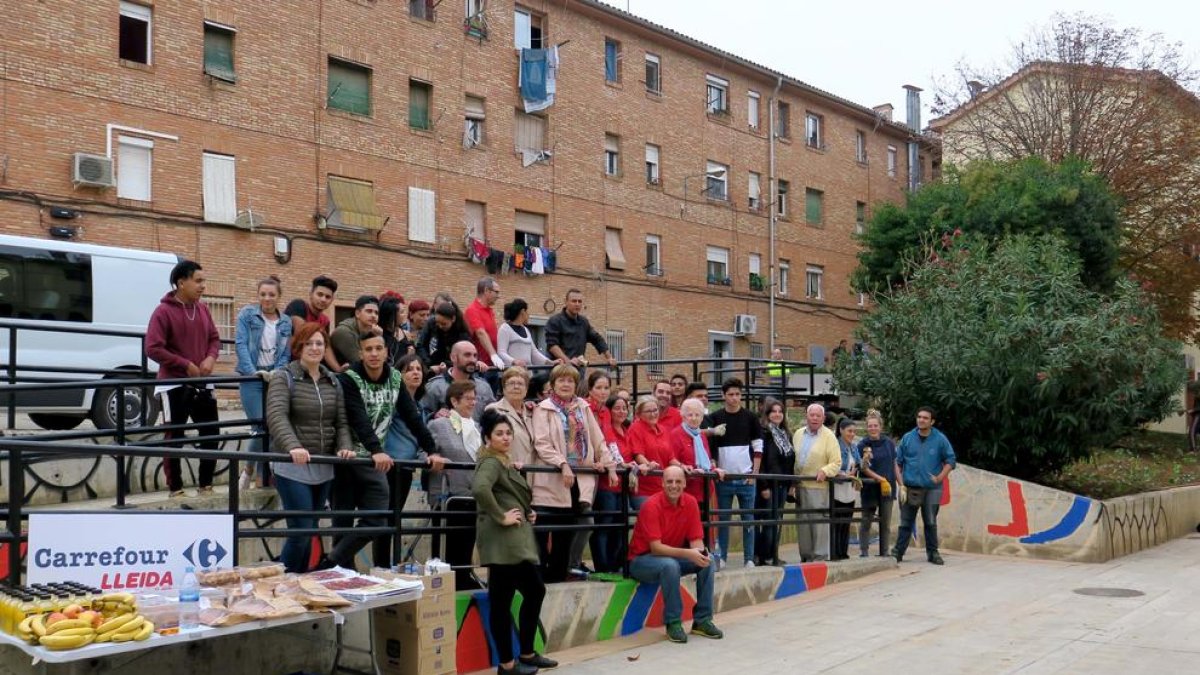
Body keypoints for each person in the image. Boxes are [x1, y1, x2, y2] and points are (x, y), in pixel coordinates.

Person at [322, 332, 444, 570]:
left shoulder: (395, 378)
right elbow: (358, 418)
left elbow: (412, 417)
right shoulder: (350, 378)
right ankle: (344, 572)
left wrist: (432, 450)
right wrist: (376, 449)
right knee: (343, 520)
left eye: (379, 348)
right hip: (348, 458)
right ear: (360, 353)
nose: (374, 354)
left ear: (387, 352)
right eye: (369, 349)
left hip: (374, 462)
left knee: (378, 518)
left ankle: (331, 562)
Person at [472, 409, 556, 675]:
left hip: (511, 542)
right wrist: (501, 516)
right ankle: (510, 663)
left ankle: (524, 655)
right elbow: (480, 489)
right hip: (503, 543)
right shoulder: (491, 463)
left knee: (521, 594)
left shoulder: (502, 461)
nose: (506, 438)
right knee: (520, 595)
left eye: (508, 433)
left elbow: (505, 492)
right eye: (499, 434)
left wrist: (524, 509)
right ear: (487, 438)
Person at [265, 322, 352, 572]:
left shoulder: (332, 381)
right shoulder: (284, 377)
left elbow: (341, 421)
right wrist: (293, 446)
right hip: (292, 465)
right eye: (309, 343)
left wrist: (344, 446)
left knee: (310, 530)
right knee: (301, 530)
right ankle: (286, 582)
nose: (315, 348)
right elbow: (277, 416)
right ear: (298, 347)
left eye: (320, 343)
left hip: (323, 465)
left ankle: (299, 580)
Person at [530, 364, 617, 582]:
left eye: (570, 380)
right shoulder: (544, 408)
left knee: (570, 532)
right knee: (545, 531)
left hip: (580, 477)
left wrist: (610, 464)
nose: (566, 384)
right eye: (561, 380)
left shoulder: (583, 407)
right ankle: (542, 579)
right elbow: (541, 443)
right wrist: (562, 464)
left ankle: (562, 573)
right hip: (553, 479)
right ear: (553, 384)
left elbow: (597, 439)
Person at [145, 259, 222, 498]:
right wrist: (184, 364)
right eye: (198, 281)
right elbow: (153, 348)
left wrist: (210, 358)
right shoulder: (163, 311)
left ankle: (206, 485)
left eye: (204, 281)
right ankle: (175, 489)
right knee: (174, 437)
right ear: (181, 283)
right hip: (173, 384)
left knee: (211, 434)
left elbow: (214, 338)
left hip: (201, 383)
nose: (203, 286)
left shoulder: (203, 309)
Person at [628, 466, 723, 644]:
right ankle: (673, 622)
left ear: (685, 483)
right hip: (641, 561)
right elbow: (656, 548)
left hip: (670, 557)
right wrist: (688, 553)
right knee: (670, 566)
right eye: (669, 481)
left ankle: (702, 620)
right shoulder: (651, 505)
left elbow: (696, 541)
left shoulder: (691, 503)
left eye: (678, 481)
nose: (674, 485)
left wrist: (701, 554)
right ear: (662, 483)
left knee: (707, 563)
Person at [377, 353, 438, 566]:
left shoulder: (420, 406)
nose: (415, 373)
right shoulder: (392, 401)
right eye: (409, 369)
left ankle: (386, 565)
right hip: (390, 465)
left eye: (419, 369)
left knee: (393, 520)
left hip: (406, 467)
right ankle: (382, 566)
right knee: (385, 520)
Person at [234, 275, 292, 489]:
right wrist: (252, 372)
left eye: (272, 295)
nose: (267, 298)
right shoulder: (247, 315)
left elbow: (286, 352)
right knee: (260, 425)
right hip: (252, 376)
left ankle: (261, 477)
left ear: (279, 297)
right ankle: (248, 470)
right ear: (258, 295)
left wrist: (278, 372)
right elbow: (240, 344)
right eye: (263, 294)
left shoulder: (285, 321)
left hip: (275, 375)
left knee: (272, 425)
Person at [427, 380, 485, 589]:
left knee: (467, 538)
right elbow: (425, 452)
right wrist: (433, 457)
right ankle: (444, 581)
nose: (473, 403)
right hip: (448, 493)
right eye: (468, 398)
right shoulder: (439, 424)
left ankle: (463, 576)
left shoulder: (477, 428)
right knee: (446, 541)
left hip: (472, 493)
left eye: (474, 398)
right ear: (454, 400)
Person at [707, 378, 763, 569]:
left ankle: (749, 558)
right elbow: (710, 447)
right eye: (730, 394)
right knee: (723, 520)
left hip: (746, 477)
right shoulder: (715, 417)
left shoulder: (750, 417)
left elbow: (758, 445)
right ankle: (721, 557)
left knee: (748, 520)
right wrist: (715, 468)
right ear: (723, 395)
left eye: (738, 394)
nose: (734, 398)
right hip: (723, 478)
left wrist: (754, 473)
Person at [892, 406, 956, 565]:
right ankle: (898, 552)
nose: (921, 420)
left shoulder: (940, 439)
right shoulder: (907, 438)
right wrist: (900, 484)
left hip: (932, 488)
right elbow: (897, 462)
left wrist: (940, 477)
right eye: (919, 417)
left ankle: (933, 553)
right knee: (906, 522)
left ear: (932, 421)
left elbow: (951, 460)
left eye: (925, 418)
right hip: (910, 487)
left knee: (930, 521)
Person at [591, 394, 638, 573]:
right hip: (606, 486)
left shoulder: (627, 430)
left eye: (624, 408)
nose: (621, 411)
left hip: (623, 487)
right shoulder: (605, 429)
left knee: (621, 526)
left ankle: (614, 564)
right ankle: (602, 566)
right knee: (605, 525)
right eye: (617, 408)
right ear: (609, 411)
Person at [792, 403, 842, 562]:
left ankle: (820, 557)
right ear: (806, 416)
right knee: (803, 523)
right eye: (811, 415)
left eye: (818, 416)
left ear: (823, 418)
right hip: (800, 485)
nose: (814, 418)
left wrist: (825, 471)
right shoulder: (798, 434)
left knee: (819, 523)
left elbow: (836, 462)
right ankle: (806, 556)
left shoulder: (829, 436)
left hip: (818, 486)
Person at [755, 397, 794, 566]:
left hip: (783, 483)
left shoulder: (786, 435)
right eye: (774, 411)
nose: (777, 415)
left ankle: (773, 553)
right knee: (768, 520)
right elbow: (761, 460)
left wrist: (792, 483)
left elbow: (791, 459)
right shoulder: (764, 433)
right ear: (767, 414)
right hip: (769, 484)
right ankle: (763, 555)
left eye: (780, 412)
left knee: (776, 520)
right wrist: (763, 485)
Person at [857, 409, 897, 558]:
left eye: (875, 426)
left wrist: (901, 483)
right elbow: (864, 468)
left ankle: (884, 551)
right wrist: (880, 479)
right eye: (870, 426)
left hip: (887, 488)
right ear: (867, 427)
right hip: (870, 487)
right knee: (866, 520)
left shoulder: (889, 443)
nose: (873, 428)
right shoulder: (862, 445)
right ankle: (864, 551)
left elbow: (894, 464)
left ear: (880, 427)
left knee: (885, 522)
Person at [421, 341, 495, 420]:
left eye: (475, 356)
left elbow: (493, 415)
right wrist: (434, 415)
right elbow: (423, 414)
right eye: (467, 355)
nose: (473, 360)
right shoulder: (435, 386)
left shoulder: (483, 387)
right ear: (453, 357)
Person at [668, 399, 723, 504]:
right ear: (683, 417)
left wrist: (715, 469)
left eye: (697, 415)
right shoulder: (675, 435)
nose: (694, 418)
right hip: (685, 491)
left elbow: (706, 459)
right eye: (690, 415)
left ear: (702, 418)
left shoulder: (701, 436)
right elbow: (672, 461)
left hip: (704, 489)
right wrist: (690, 470)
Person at [544, 289, 616, 368]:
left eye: (580, 301)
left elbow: (597, 339)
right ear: (566, 302)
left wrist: (609, 358)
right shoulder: (555, 321)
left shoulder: (583, 322)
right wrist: (568, 362)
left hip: (578, 371)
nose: (577, 304)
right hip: (559, 370)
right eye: (574, 301)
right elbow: (552, 345)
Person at [627, 395, 673, 511]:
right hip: (644, 488)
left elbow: (671, 457)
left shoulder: (664, 430)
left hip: (663, 486)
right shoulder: (635, 428)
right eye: (648, 411)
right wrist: (648, 464)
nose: (653, 414)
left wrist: (682, 466)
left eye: (655, 410)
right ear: (639, 414)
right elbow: (637, 454)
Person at [284, 275, 341, 369]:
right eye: (320, 294)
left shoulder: (325, 320)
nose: (323, 299)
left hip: (309, 367)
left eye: (327, 297)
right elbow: (305, 335)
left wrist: (338, 370)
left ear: (331, 300)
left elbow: (326, 346)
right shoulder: (298, 305)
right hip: (287, 364)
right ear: (311, 294)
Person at [487, 367, 537, 466]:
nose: (516, 387)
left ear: (526, 389)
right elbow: (487, 445)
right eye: (511, 383)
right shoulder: (493, 410)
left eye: (520, 384)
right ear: (504, 389)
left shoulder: (533, 411)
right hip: (506, 472)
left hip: (532, 474)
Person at [831, 417, 862, 561]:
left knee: (846, 523)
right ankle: (835, 551)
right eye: (849, 431)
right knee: (837, 522)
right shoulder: (836, 445)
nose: (852, 434)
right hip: (838, 489)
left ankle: (843, 551)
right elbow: (834, 467)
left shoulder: (854, 447)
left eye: (854, 431)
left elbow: (859, 464)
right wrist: (845, 474)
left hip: (850, 490)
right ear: (841, 430)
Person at [417, 302, 472, 374]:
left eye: (444, 324)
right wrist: (428, 363)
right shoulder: (431, 323)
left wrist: (447, 366)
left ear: (453, 319)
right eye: (437, 323)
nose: (440, 326)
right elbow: (420, 345)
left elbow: (463, 357)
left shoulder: (462, 334)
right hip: (430, 365)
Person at [497, 298, 553, 368]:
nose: (528, 315)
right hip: (512, 374)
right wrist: (514, 361)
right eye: (527, 312)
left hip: (527, 374)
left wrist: (551, 362)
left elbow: (534, 353)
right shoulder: (505, 329)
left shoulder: (526, 330)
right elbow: (501, 352)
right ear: (523, 312)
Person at [465, 277, 506, 371]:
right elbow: (480, 333)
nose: (498, 296)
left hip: (492, 365)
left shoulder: (489, 311)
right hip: (480, 367)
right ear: (487, 291)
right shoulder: (472, 310)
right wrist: (493, 355)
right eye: (496, 292)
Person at [330, 294, 381, 369]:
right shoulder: (344, 332)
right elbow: (365, 364)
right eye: (369, 311)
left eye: (376, 313)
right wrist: (378, 338)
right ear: (357, 313)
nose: (374, 315)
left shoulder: (370, 331)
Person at [378, 293, 414, 367]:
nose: (404, 315)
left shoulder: (406, 334)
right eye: (402, 312)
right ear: (391, 314)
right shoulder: (379, 334)